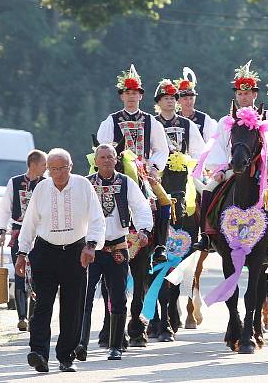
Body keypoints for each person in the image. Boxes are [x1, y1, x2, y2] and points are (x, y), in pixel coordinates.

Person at [15, 148, 105, 374]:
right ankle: (39, 353)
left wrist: (91, 245)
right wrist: (22, 253)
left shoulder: (83, 186)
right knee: (43, 304)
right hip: (45, 252)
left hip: (76, 251)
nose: (58, 174)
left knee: (72, 307)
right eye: (53, 169)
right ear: (47, 169)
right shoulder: (42, 188)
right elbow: (30, 223)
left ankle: (66, 356)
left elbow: (96, 218)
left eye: (62, 168)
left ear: (70, 167)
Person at [192, 60, 268, 255]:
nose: (243, 97)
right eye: (240, 93)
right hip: (234, 168)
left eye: (247, 93)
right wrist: (219, 170)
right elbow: (219, 147)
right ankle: (206, 234)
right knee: (208, 189)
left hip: (265, 170)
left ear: (255, 94)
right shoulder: (227, 120)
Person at [76, 144, 153, 362]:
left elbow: (141, 206)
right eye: (102, 157)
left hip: (118, 247)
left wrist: (143, 229)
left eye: (110, 157)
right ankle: (81, 343)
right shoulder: (86, 183)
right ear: (96, 161)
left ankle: (116, 345)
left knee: (118, 298)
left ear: (116, 160)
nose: (107, 160)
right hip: (91, 249)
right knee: (85, 297)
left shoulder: (126, 182)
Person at [97, 64, 171, 262]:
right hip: (116, 170)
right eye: (127, 93)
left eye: (135, 93)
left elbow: (161, 149)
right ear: (122, 96)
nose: (131, 96)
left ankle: (160, 246)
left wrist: (153, 167)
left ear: (140, 96)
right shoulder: (111, 121)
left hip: (143, 172)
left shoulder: (150, 121)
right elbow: (101, 147)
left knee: (164, 201)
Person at [0, 149, 47, 331]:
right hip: (18, 232)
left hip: (40, 235)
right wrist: (2, 231)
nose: (46, 168)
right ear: (33, 165)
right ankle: (22, 317)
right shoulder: (15, 182)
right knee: (20, 273)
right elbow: (5, 207)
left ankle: (34, 317)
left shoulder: (47, 184)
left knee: (38, 275)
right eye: (43, 164)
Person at [154, 79, 206, 159]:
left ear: (176, 101)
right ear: (158, 102)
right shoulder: (153, 123)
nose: (170, 101)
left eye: (172, 98)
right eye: (166, 98)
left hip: (184, 169)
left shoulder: (187, 124)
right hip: (156, 169)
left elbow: (197, 150)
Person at [176, 67, 218, 142]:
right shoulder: (174, 118)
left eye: (191, 98)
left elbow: (210, 143)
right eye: (185, 99)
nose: (189, 102)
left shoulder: (204, 119)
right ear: (178, 101)